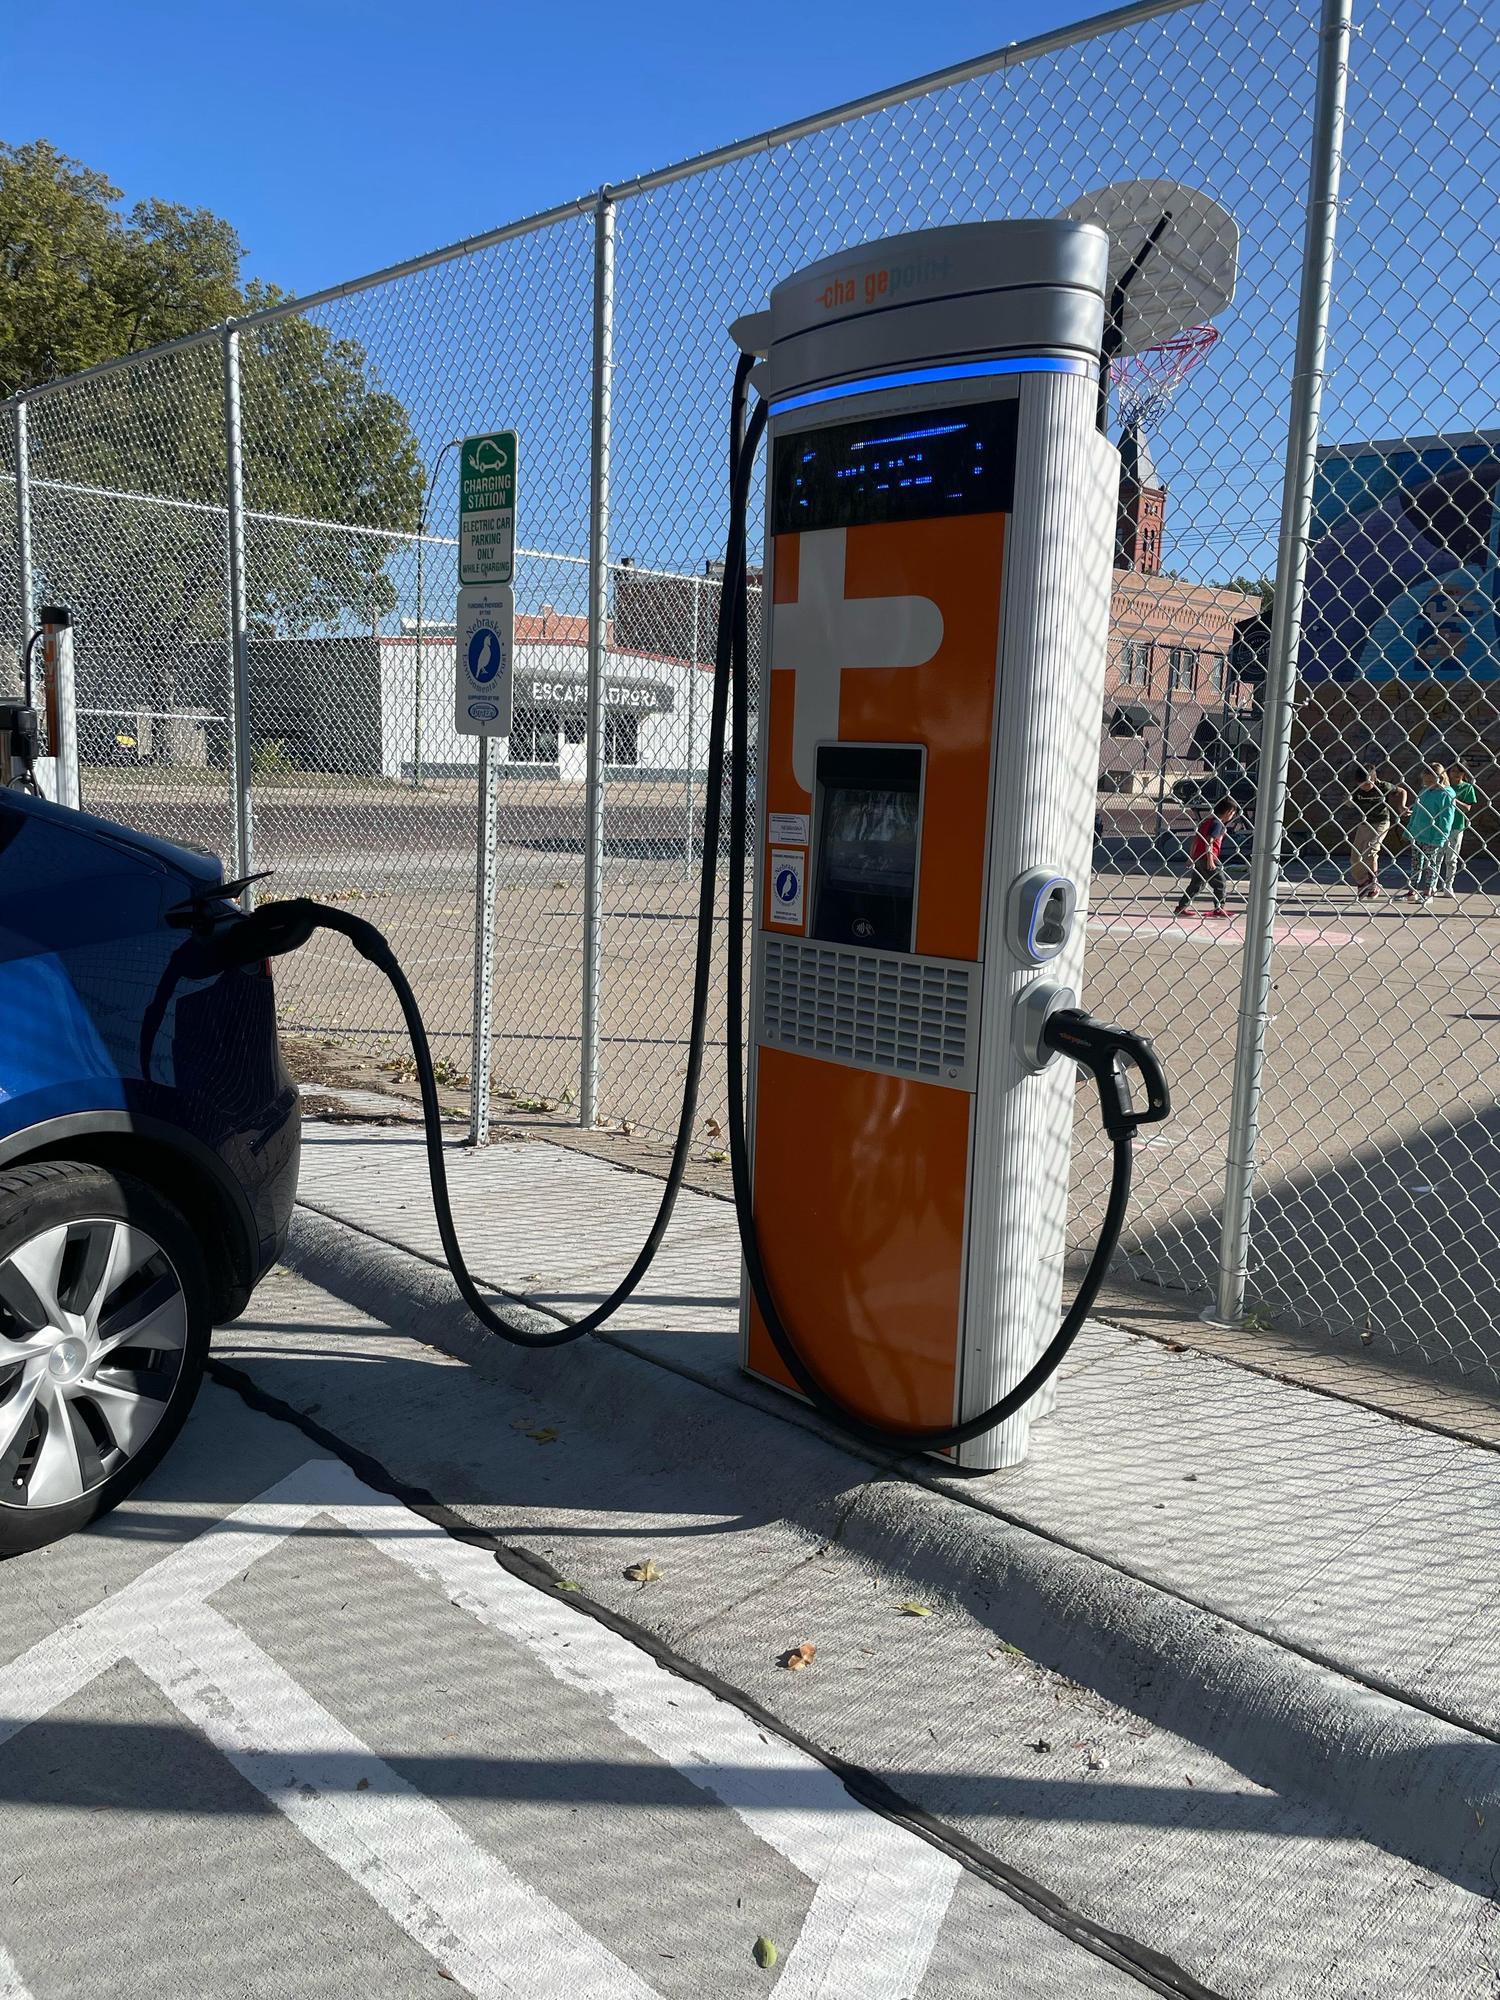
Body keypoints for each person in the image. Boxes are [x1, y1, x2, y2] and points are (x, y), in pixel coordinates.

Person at [1403, 765, 1457, 906]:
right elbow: (1416, 811)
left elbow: (1446, 818)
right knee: (1415, 863)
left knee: (1430, 865)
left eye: (1430, 781)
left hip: (1433, 835)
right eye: (1425, 781)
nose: (1427, 784)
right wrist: (1410, 829)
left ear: (1439, 778)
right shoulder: (1424, 791)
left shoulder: (1446, 794)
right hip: (1418, 833)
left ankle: (1428, 892)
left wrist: (1441, 837)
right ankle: (1412, 890)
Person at [1174, 800, 1238, 918]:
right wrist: (1210, 860)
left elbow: (1196, 840)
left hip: (1198, 856)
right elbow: (1209, 840)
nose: (1233, 816)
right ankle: (1219, 908)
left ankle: (1181, 907)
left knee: (1196, 883)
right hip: (1208, 857)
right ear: (1227, 812)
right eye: (1232, 813)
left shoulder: (1205, 822)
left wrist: (1191, 857)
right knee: (1220, 882)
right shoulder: (1217, 824)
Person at [1344, 763, 1393, 900]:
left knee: (1371, 851)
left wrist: (1401, 806)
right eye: (1361, 785)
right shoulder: (1357, 790)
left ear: (1374, 779)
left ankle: (1373, 883)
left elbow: (1401, 791)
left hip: (1381, 822)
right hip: (1365, 823)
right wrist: (1348, 802)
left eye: (1367, 785)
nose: (1364, 788)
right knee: (1355, 856)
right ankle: (1362, 882)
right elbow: (1349, 803)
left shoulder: (1384, 786)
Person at [1438, 762, 1478, 896]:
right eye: (1453, 771)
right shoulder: (1443, 787)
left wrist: (1454, 800)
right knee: (1436, 857)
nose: (1455, 774)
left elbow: (1467, 808)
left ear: (1464, 773)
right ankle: (1432, 884)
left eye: (1459, 771)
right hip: (1440, 825)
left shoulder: (1467, 788)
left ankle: (1448, 885)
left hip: (1456, 826)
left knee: (1451, 858)